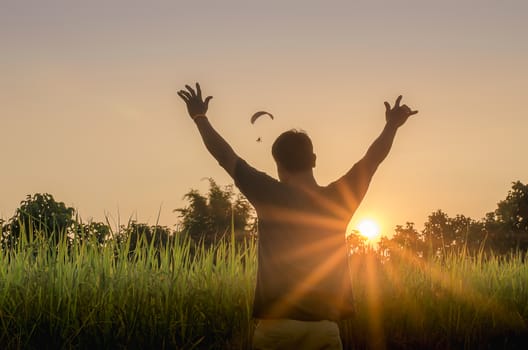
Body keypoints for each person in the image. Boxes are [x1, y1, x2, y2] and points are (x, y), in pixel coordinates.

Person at [177, 83, 418, 349]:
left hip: (275, 332)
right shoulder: (339, 199)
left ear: (278, 165)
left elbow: (225, 155)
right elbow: (372, 160)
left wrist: (199, 117)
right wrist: (391, 126)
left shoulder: (267, 193)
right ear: (314, 159)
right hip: (323, 331)